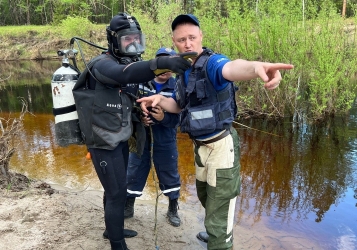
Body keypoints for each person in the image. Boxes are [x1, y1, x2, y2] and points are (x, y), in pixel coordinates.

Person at [137, 14, 294, 250]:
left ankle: (220, 240)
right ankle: (215, 233)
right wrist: (160, 98)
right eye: (181, 40)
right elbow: (178, 105)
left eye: (192, 37)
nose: (187, 43)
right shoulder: (183, 73)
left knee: (220, 210)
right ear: (174, 42)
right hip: (200, 149)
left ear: (200, 36)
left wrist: (256, 67)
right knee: (207, 199)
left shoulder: (212, 63)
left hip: (221, 148)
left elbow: (232, 68)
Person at [72, 12, 192, 250]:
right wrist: (164, 63)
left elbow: (127, 97)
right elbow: (123, 75)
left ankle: (112, 229)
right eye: (128, 39)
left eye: (137, 38)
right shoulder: (103, 64)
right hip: (102, 141)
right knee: (116, 193)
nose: (134, 44)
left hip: (118, 136)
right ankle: (118, 244)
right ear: (114, 40)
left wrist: (142, 115)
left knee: (114, 189)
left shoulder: (126, 63)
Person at [124, 47, 182, 227]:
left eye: (169, 65)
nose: (165, 71)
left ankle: (173, 208)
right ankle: (128, 205)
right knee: (134, 170)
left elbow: (180, 117)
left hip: (165, 137)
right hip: (141, 137)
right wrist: (140, 118)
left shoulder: (177, 86)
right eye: (162, 64)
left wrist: (163, 118)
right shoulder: (141, 82)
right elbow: (129, 107)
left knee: (169, 171)